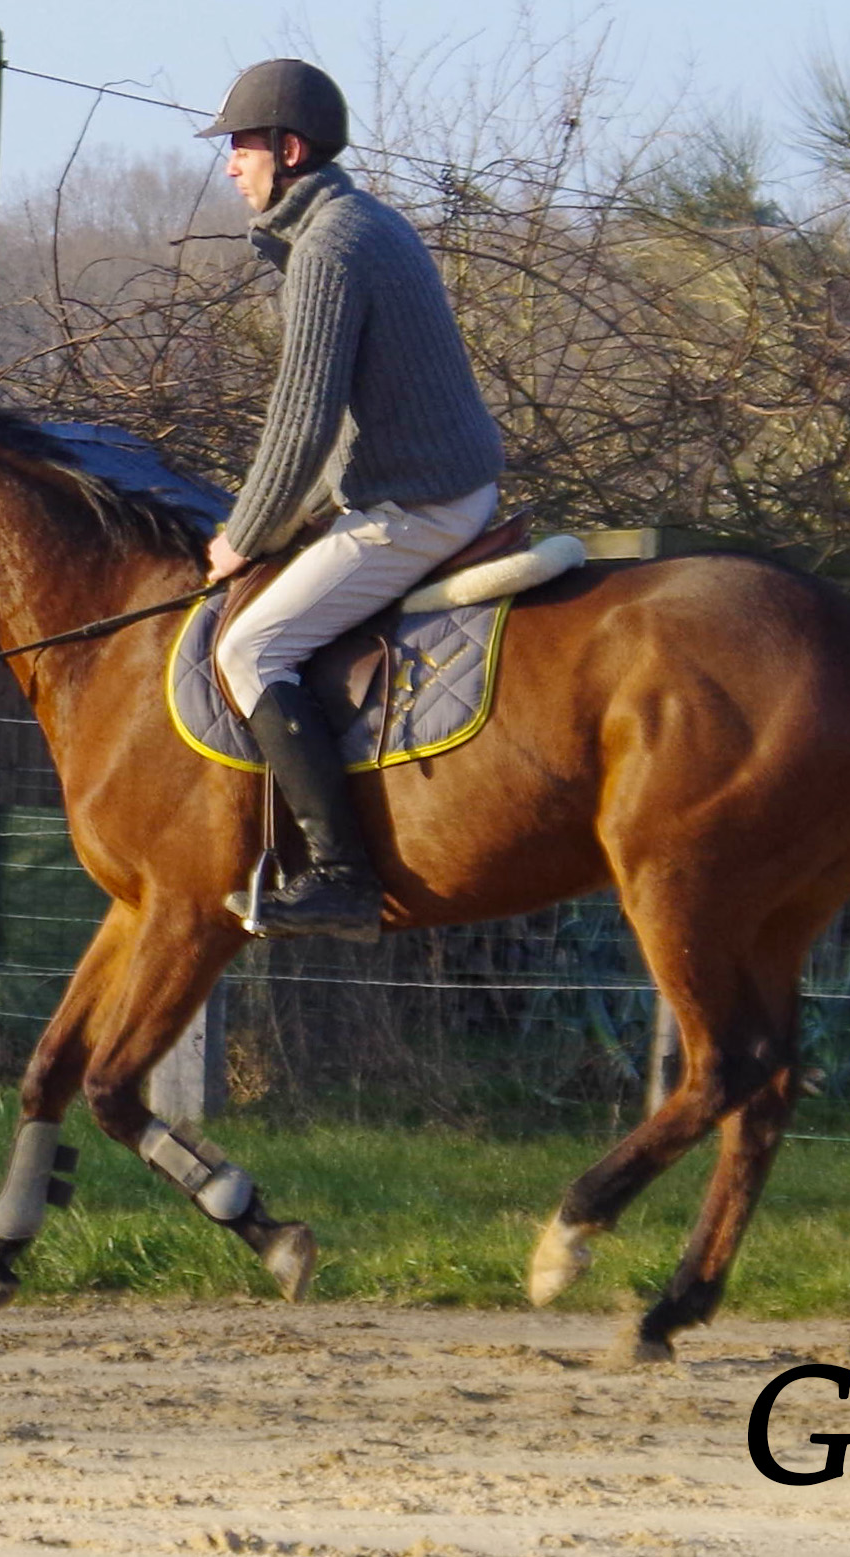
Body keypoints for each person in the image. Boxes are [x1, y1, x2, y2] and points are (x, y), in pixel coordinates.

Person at [196, 59, 505, 943]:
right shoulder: (360, 222)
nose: (231, 166)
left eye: (241, 147)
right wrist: (284, 523)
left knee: (251, 646)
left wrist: (246, 539)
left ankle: (339, 876)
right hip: (439, 483)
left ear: (287, 151)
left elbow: (301, 426)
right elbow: (324, 441)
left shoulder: (330, 248)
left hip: (420, 504)